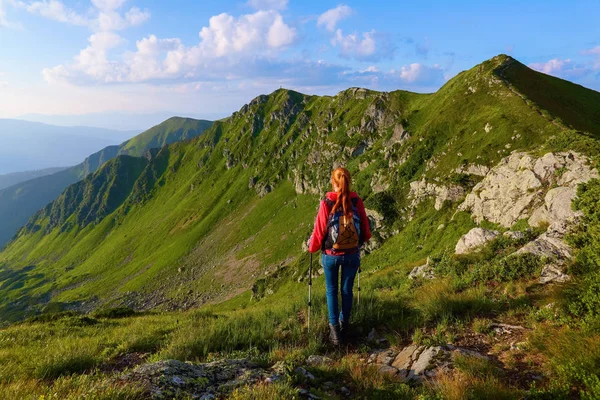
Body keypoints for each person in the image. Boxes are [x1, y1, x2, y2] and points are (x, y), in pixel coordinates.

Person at [307, 167, 372, 345]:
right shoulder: (356, 201)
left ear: (334, 183)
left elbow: (319, 232)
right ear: (348, 181)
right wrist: (358, 243)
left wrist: (311, 248)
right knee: (346, 291)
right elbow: (366, 231)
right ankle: (345, 326)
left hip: (331, 255)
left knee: (331, 291)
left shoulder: (327, 203)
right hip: (352, 255)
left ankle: (334, 333)